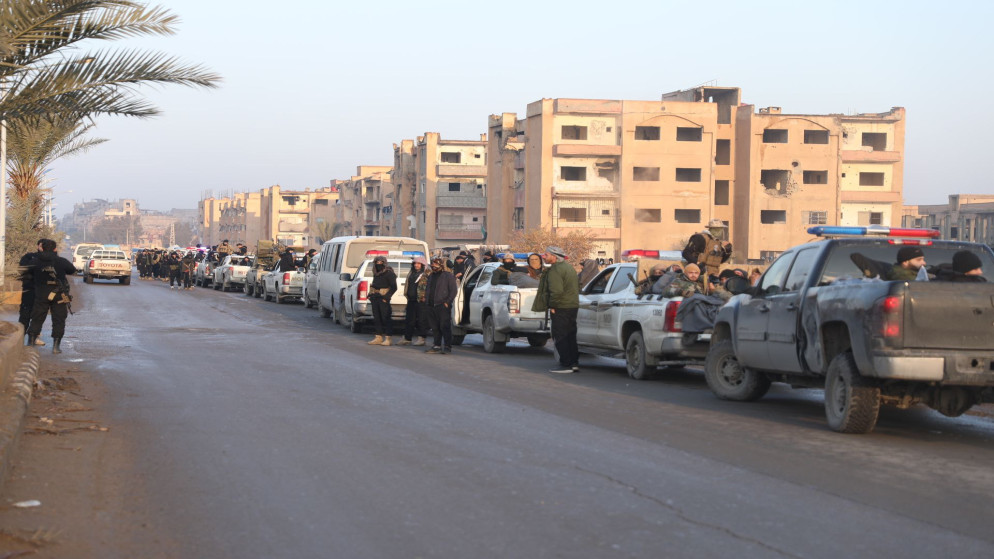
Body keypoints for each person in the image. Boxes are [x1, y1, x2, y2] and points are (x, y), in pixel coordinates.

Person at [533, 246, 580, 374]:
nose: (544, 257)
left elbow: (556, 291)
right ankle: (574, 363)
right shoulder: (569, 267)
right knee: (570, 336)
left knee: (560, 336)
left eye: (546, 255)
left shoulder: (555, 270)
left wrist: (553, 306)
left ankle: (565, 364)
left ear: (554, 256)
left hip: (560, 307)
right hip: (572, 306)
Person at [26, 239, 76, 353]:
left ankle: (31, 342)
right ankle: (56, 347)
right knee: (59, 319)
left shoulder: (34, 261)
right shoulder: (61, 261)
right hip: (59, 295)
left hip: (41, 294)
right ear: (55, 249)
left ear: (41, 248)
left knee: (37, 317)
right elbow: (72, 270)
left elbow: (28, 274)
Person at [17, 239, 47, 345]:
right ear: (38, 246)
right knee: (25, 315)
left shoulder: (51, 260)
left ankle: (33, 338)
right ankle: (19, 339)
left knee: (38, 316)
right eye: (41, 246)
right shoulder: (29, 257)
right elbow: (23, 269)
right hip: (29, 290)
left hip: (42, 292)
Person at [425, 257, 457, 354]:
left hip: (442, 305)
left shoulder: (448, 276)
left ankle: (447, 346)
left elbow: (453, 291)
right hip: (431, 305)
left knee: (444, 326)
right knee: (434, 327)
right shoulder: (430, 276)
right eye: (432, 265)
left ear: (440, 265)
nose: (433, 266)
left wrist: (447, 302)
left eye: (435, 265)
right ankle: (436, 345)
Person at [367, 255, 398, 346]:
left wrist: (387, 297)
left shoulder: (389, 273)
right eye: (377, 263)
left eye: (381, 263)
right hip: (375, 297)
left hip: (383, 297)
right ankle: (378, 337)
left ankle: (388, 338)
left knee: (386, 318)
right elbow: (374, 284)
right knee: (377, 317)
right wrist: (370, 294)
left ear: (384, 263)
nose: (378, 264)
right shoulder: (376, 273)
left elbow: (394, 287)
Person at [399, 256, 429, 346]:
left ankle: (421, 339)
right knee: (409, 320)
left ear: (423, 265)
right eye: (415, 263)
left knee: (421, 320)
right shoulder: (411, 273)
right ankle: (407, 338)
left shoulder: (427, 273)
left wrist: (425, 296)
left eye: (418, 264)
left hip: (421, 300)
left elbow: (430, 286)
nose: (416, 265)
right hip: (411, 300)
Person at [851, 246, 926, 281]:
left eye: (923, 259)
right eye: (919, 260)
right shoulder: (901, 276)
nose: (924, 263)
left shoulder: (919, 273)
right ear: (905, 262)